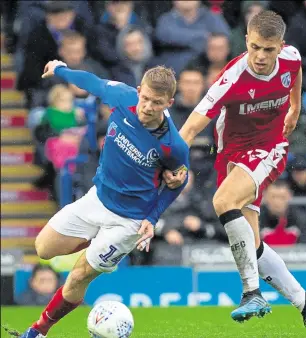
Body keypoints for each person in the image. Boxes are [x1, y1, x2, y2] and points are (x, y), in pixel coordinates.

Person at [163, 10, 306, 336]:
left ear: (280, 46)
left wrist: (295, 107)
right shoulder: (230, 78)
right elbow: (192, 125)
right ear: (246, 42)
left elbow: (295, 74)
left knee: (223, 201)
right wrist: (175, 162)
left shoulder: (291, 58)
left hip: (270, 147)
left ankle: (252, 293)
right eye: (255, 47)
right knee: (251, 244)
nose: (260, 56)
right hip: (231, 155)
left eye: (268, 50)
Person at [14, 60, 189, 338]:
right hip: (96, 199)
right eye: (145, 98)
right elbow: (92, 82)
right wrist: (60, 70)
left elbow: (180, 179)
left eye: (156, 103)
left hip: (129, 221)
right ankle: (97, 245)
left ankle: (38, 331)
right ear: (138, 90)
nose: (147, 107)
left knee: (80, 274)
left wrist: (152, 218)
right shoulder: (123, 97)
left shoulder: (173, 144)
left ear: (168, 103)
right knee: (43, 249)